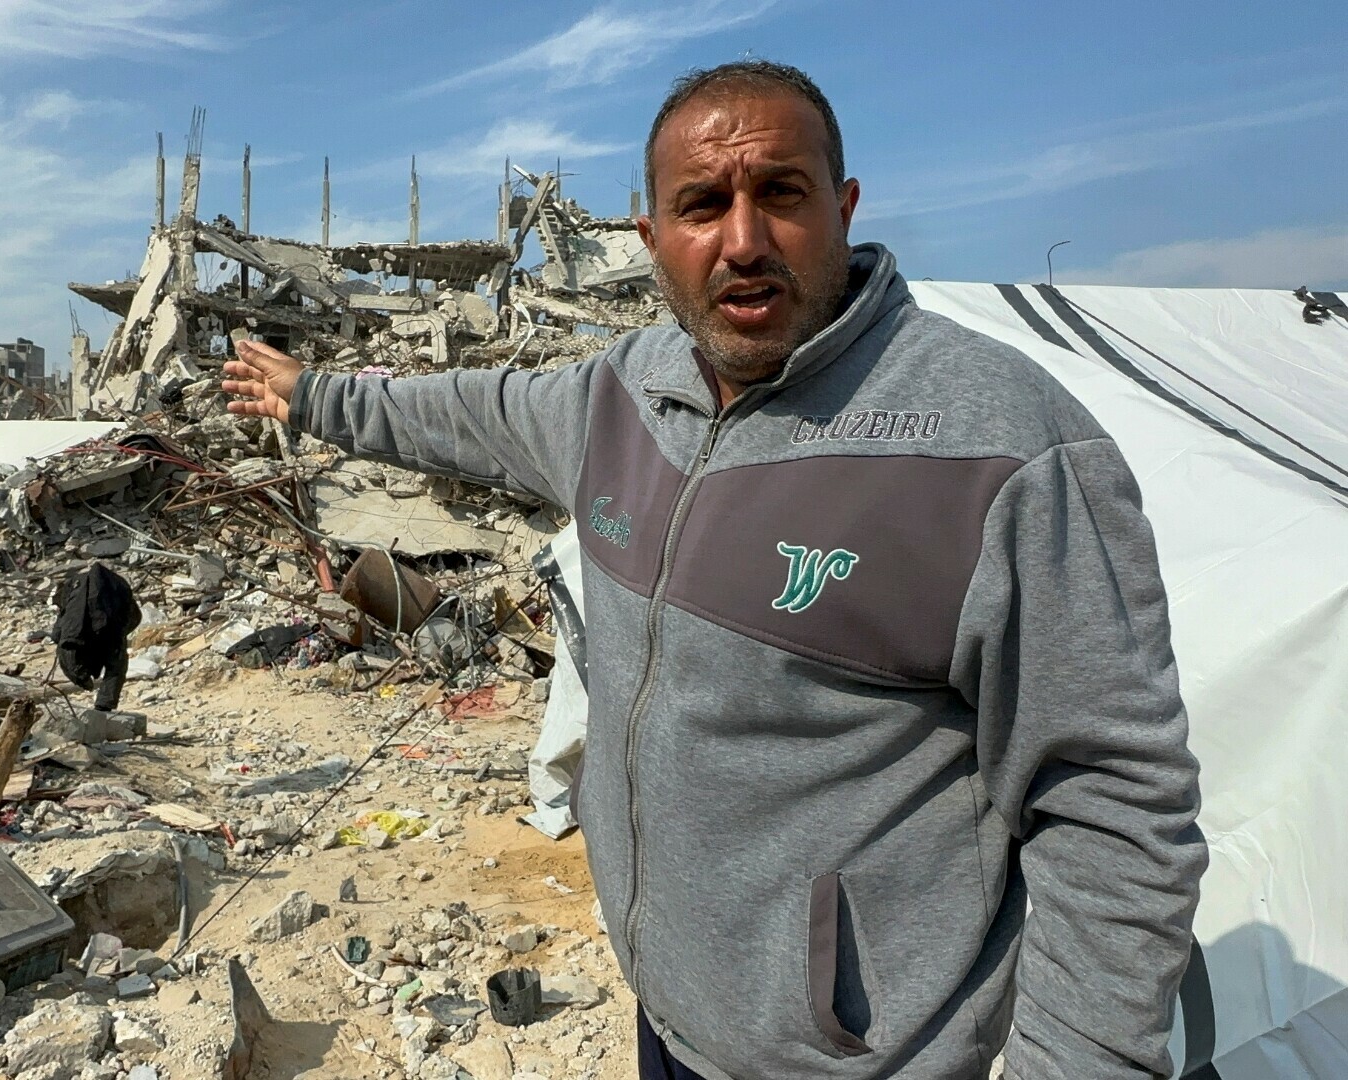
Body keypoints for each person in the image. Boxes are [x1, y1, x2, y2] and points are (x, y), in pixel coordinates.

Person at [225, 60, 1205, 1080]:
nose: (743, 241)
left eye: (780, 192)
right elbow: (467, 413)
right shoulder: (618, 397)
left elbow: (1115, 810)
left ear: (844, 205)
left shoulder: (1001, 447)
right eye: (702, 206)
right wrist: (316, 397)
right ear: (651, 241)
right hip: (668, 1015)